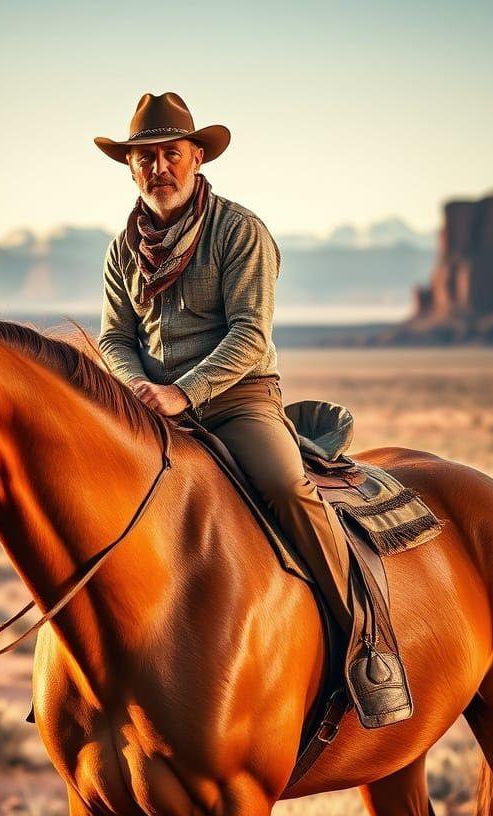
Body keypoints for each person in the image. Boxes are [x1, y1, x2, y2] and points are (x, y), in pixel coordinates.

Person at [94, 92, 410, 726]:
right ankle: (92, 673)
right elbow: (113, 338)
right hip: (151, 403)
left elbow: (249, 335)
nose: (159, 167)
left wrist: (183, 393)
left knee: (286, 486)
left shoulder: (240, 232)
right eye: (145, 157)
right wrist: (136, 388)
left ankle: (367, 646)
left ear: (197, 157)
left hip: (236, 400)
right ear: (129, 167)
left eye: (171, 153)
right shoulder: (122, 249)